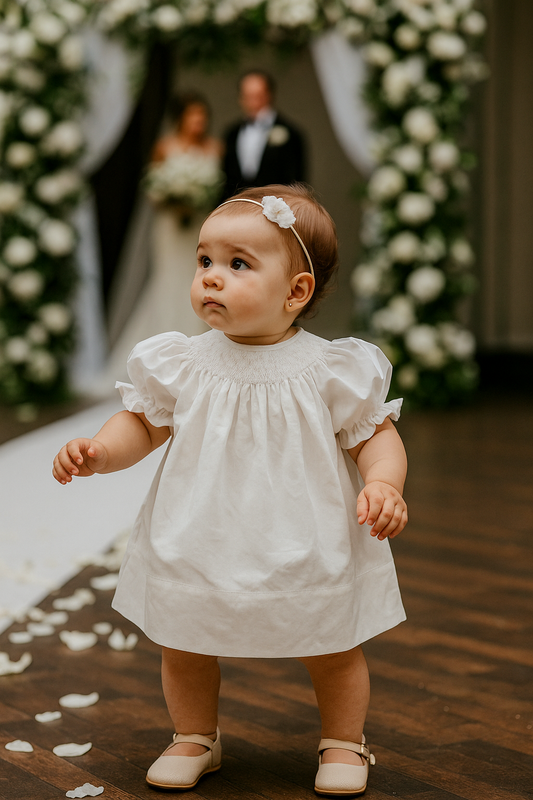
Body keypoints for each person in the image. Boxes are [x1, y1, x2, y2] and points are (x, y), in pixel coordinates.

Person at [53, 184, 408, 797]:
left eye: (238, 263)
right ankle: (195, 735)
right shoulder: (183, 361)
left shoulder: (331, 369)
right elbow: (142, 422)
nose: (211, 278)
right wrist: (102, 452)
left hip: (305, 531)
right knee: (185, 639)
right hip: (201, 529)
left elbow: (374, 434)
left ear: (296, 292)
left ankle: (344, 741)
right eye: (204, 261)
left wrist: (384, 482)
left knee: (331, 641)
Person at [105, 93, 223, 382]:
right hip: (170, 227)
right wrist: (175, 197)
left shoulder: (214, 147)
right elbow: (153, 191)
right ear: (181, 118)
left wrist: (196, 199)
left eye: (202, 116)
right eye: (193, 115)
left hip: (200, 226)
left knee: (199, 278)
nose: (198, 122)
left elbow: (219, 189)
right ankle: (164, 350)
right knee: (170, 281)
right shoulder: (164, 148)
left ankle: (201, 351)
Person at [222, 70, 306, 198]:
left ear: (269, 95)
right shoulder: (232, 133)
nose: (253, 102)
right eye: (247, 96)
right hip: (239, 206)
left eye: (258, 96)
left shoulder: (290, 134)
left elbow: (295, 181)